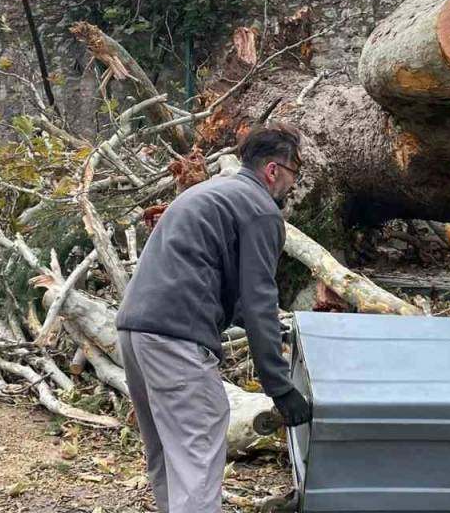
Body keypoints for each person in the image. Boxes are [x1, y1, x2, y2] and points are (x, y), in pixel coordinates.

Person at [116, 123, 312, 513]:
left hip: (135, 330)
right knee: (199, 446)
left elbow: (223, 285)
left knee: (169, 453)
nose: (293, 185)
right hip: (177, 337)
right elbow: (258, 299)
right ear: (274, 170)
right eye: (294, 174)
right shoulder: (260, 210)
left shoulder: (210, 193)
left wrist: (282, 330)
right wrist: (281, 387)